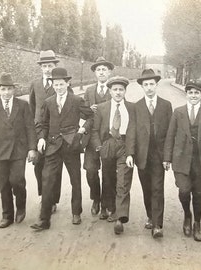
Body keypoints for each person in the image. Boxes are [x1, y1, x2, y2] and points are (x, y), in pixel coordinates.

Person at [30, 68, 92, 231]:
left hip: (71, 145)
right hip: (52, 145)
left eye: (61, 84)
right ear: (52, 84)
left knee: (75, 180)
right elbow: (43, 124)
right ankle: (44, 219)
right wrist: (42, 138)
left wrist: (82, 129)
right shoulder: (49, 102)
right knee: (47, 179)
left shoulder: (76, 100)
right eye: (55, 84)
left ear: (67, 83)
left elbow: (91, 116)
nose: (58, 87)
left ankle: (76, 212)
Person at [163, 82, 201, 242]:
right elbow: (170, 136)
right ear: (186, 94)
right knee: (184, 190)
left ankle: (197, 224)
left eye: (197, 93)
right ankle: (187, 215)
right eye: (191, 92)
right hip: (181, 159)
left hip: (200, 161)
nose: (194, 95)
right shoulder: (178, 112)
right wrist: (167, 158)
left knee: (198, 192)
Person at [0, 72, 37, 228]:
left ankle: (21, 206)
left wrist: (32, 148)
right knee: (4, 184)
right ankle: (7, 215)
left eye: (9, 89)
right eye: (3, 89)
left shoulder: (23, 105)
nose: (6, 93)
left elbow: (30, 128)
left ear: (14, 90)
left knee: (17, 180)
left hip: (18, 151)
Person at [91, 76, 135, 235]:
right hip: (107, 144)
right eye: (115, 90)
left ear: (125, 91)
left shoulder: (132, 108)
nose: (118, 92)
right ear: (110, 91)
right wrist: (99, 147)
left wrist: (131, 152)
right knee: (108, 178)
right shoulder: (102, 108)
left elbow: (133, 131)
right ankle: (107, 206)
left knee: (123, 181)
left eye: (121, 90)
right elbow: (95, 130)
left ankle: (120, 217)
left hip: (124, 144)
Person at [133, 69, 172, 238]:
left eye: (152, 84)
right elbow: (132, 131)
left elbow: (171, 133)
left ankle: (157, 224)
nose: (149, 88)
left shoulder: (166, 105)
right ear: (142, 86)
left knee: (157, 188)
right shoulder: (137, 106)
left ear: (157, 85)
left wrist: (167, 157)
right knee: (146, 188)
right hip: (142, 155)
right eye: (146, 85)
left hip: (159, 154)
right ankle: (150, 215)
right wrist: (131, 154)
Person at [29, 50, 62, 213]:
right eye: (45, 66)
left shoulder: (60, 84)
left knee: (55, 167)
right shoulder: (35, 84)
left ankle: (53, 200)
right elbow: (32, 107)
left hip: (55, 132)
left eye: (50, 65)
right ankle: (43, 195)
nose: (47, 69)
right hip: (38, 131)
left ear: (55, 66)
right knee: (38, 165)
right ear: (41, 67)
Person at [83, 56, 114, 221]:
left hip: (109, 137)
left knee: (109, 173)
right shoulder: (89, 91)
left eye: (104, 69)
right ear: (95, 73)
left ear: (109, 72)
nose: (101, 72)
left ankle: (105, 204)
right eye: (98, 70)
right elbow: (82, 112)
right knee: (90, 171)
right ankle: (96, 197)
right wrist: (89, 109)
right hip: (91, 138)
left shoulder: (115, 89)